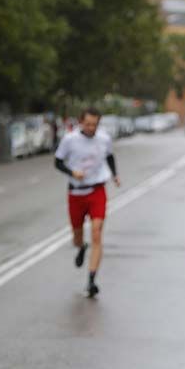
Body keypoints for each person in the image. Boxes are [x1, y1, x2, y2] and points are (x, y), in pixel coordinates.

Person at [54, 107, 120, 298]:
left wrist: (115, 175)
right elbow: (57, 162)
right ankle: (81, 246)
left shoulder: (104, 138)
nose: (91, 128)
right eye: (88, 124)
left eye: (95, 124)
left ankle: (91, 280)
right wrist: (72, 172)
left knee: (97, 232)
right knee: (77, 235)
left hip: (97, 189)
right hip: (76, 192)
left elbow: (109, 156)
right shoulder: (70, 140)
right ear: (81, 122)